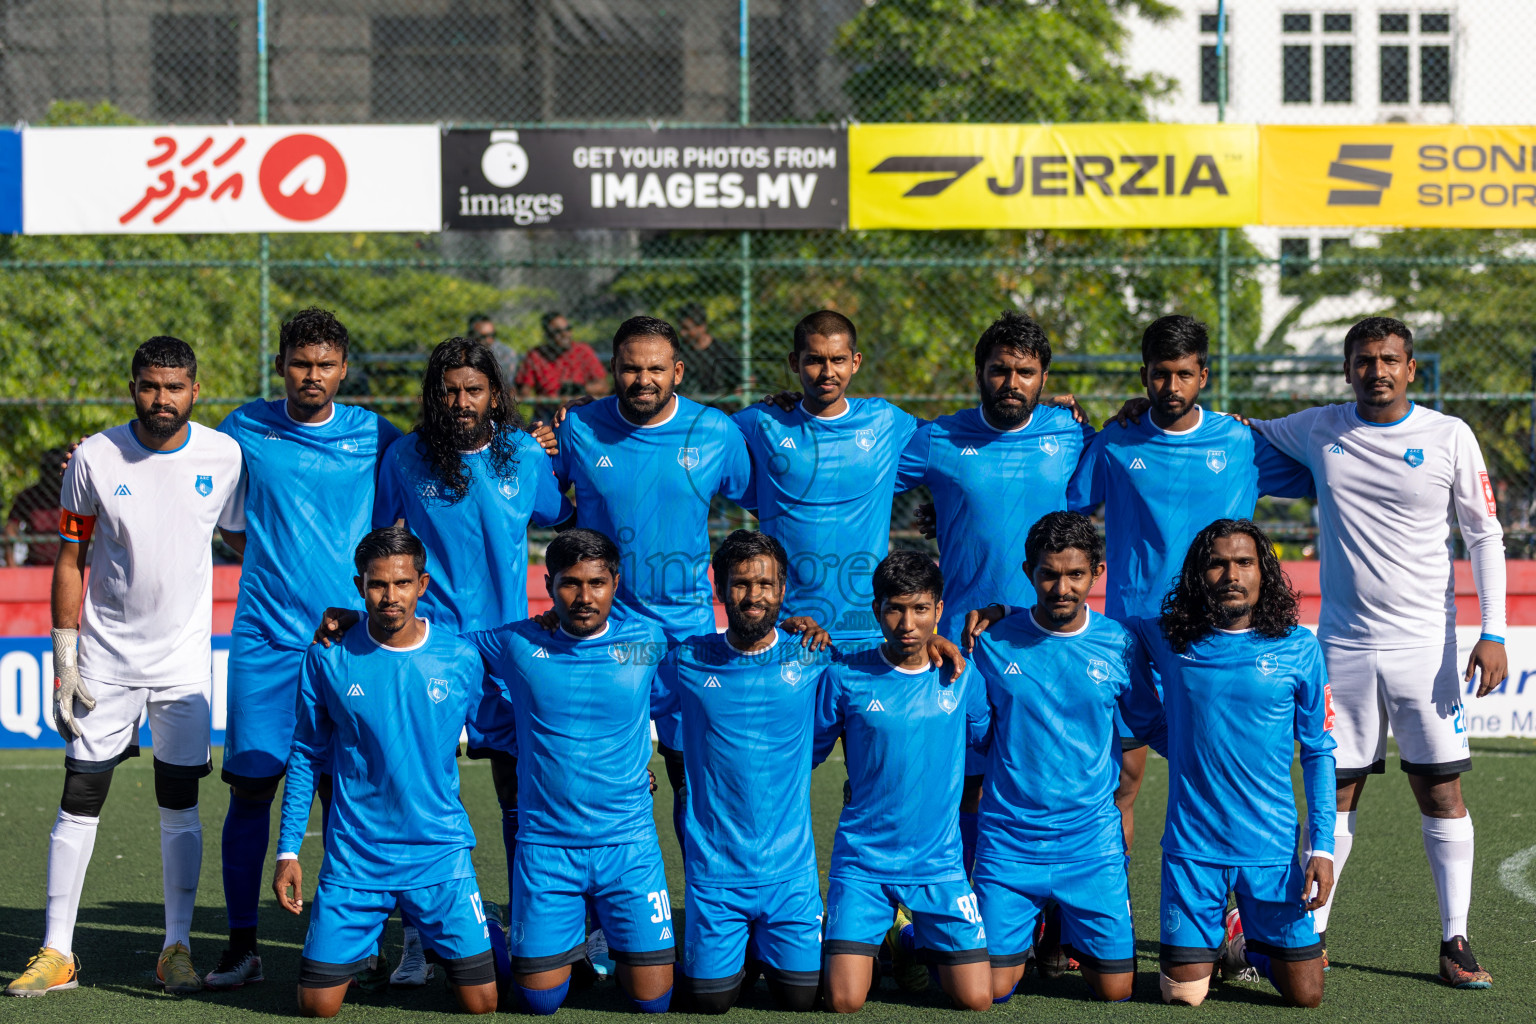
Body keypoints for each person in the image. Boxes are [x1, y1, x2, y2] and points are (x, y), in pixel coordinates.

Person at [1247, 315, 1506, 988]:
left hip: (1427, 651)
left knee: (1440, 790)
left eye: (1390, 359)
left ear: (1411, 368)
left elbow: (1485, 536)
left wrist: (1495, 631)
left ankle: (1455, 940)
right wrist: (1148, 410)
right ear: (1347, 368)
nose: (1377, 371)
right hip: (1343, 650)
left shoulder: (1450, 435)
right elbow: (1235, 431)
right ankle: (1310, 936)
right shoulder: (1320, 427)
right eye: (1364, 360)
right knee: (1333, 792)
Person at [6, 337, 245, 998]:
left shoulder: (224, 456)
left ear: (195, 390)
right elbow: (70, 557)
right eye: (149, 386)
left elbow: (241, 536)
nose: (160, 399)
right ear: (132, 386)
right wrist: (63, 655)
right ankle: (58, 951)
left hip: (183, 666)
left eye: (173, 387)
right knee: (79, 795)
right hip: (104, 661)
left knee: (180, 801)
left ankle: (176, 949)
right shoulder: (93, 455)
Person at [1062, 314, 1313, 855]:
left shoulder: (1240, 441)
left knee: (1219, 782)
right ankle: (1110, 921)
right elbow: (1061, 500)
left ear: (1204, 374)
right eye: (1158, 374)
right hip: (1131, 638)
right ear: (1144, 374)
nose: (1169, 387)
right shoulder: (1117, 441)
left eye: (1182, 374)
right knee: (1119, 784)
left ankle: (1230, 914)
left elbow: (1327, 470)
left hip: (1213, 638)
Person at [211, 308, 405, 991]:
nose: (312, 376)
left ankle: (370, 934)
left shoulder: (375, 434)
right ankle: (241, 946)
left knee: (351, 792)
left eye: (325, 365)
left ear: (344, 370)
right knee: (252, 790)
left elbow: (440, 469)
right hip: (266, 643)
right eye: (300, 363)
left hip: (350, 645)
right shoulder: (243, 427)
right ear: (281, 366)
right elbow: (187, 479)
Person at [372, 336, 573, 943]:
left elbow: (560, 517)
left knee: (517, 783)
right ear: (435, 395)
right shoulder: (406, 457)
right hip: (428, 645)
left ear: (494, 395)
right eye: (450, 390)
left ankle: (529, 920)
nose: (461, 401)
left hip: (505, 646)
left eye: (474, 389)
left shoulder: (520, 452)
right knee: (420, 786)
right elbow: (385, 542)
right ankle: (415, 936)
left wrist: (560, 447)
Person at [897, 309, 1094, 880]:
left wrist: (1121, 412)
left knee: (1057, 783)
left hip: (1051, 641)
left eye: (1026, 372)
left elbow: (1132, 456)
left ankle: (1055, 933)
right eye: (1000, 370)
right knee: (965, 789)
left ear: (1045, 379)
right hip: (964, 641)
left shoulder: (1072, 435)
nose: (1012, 383)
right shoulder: (937, 439)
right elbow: (862, 473)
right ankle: (960, 915)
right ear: (979, 373)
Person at [272, 527, 499, 1019]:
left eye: (401, 583)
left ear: (423, 584)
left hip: (438, 852)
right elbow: (307, 753)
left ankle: (484, 933)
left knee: (482, 1004)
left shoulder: (459, 658)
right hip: (357, 856)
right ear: (360, 586)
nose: (389, 596)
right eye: (377, 585)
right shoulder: (328, 656)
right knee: (317, 1006)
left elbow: (508, 735)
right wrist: (288, 850)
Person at [550, 315, 754, 855]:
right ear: (612, 370)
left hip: (685, 636)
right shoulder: (578, 428)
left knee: (693, 779)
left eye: (656, 369)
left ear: (678, 371)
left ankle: (707, 907)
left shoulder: (715, 431)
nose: (644, 379)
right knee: (595, 782)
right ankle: (598, 925)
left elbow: (765, 497)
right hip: (598, 635)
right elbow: (543, 501)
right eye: (631, 368)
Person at [464, 529, 675, 1015]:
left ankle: (608, 932)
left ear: (615, 583)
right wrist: (357, 620)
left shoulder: (645, 642)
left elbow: (719, 661)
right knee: (540, 1002)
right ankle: (490, 933)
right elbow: (437, 648)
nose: (584, 597)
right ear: (548, 582)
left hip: (628, 846)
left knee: (653, 1002)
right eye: (570, 583)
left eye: (597, 583)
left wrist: (793, 632)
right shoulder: (518, 644)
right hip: (547, 849)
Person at [1130, 519, 1334, 1008]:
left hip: (1270, 849)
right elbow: (1100, 634)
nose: (1231, 574)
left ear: (1264, 571)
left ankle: (1241, 942)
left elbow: (1319, 750)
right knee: (1184, 996)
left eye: (1244, 562)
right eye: (1217, 563)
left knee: (1306, 996)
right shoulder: (1172, 639)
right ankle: (1219, 936)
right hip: (1192, 849)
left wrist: (1322, 847)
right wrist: (1177, 744)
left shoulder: (1299, 646)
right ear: (1200, 574)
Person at [966, 512, 1165, 1006]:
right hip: (1010, 842)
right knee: (989, 991)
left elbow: (1144, 726)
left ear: (1097, 572)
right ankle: (1036, 924)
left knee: (1116, 991)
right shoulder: (990, 642)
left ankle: (1061, 919)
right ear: (1029, 571)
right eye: (1049, 574)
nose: (1061, 587)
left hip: (1089, 843)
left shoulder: (1120, 644)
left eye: (1075, 574)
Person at [651, 530, 832, 1013]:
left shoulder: (813, 654)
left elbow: (890, 657)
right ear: (720, 586)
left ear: (783, 588)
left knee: (802, 999)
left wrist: (936, 635)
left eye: (765, 584)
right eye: (740, 584)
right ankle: (741, 948)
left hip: (790, 874)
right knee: (710, 1002)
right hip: (716, 874)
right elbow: (619, 698)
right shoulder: (686, 659)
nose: (754, 596)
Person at [814, 552, 992, 1014]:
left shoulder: (960, 675)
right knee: (844, 1001)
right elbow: (805, 754)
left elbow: (988, 741)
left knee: (977, 999)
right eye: (895, 608)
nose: (907, 622)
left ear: (938, 608)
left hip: (939, 864)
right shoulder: (844, 677)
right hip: (864, 861)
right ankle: (883, 932)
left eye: (920, 609)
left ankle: (909, 938)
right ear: (877, 609)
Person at [736, 310, 920, 646]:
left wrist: (943, 508)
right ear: (795, 362)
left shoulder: (885, 420)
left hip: (866, 625)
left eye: (838, 359)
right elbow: (702, 442)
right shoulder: (761, 421)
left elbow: (951, 451)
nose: (827, 372)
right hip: (788, 626)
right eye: (814, 360)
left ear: (856, 362)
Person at [515, 311, 609, 423]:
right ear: (547, 335)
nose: (565, 334)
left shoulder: (583, 351)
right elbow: (524, 391)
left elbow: (604, 386)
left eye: (568, 329)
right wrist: (548, 400)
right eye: (558, 332)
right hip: (548, 412)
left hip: (580, 409)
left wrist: (580, 389)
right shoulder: (536, 355)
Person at [3, 448, 68, 567]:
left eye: (56, 469)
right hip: (36, 564)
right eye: (49, 469)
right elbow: (10, 529)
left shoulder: (73, 495)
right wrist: (12, 567)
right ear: (43, 471)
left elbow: (95, 528)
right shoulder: (29, 497)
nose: (53, 475)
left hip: (69, 563)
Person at [675, 303, 740, 405]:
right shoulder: (678, 352)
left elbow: (746, 377)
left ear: (702, 327)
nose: (682, 333)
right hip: (689, 411)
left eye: (686, 328)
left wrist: (737, 397)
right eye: (681, 328)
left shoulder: (722, 350)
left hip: (720, 410)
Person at [468, 313, 520, 386]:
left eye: (492, 335)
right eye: (483, 337)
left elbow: (507, 384)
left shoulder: (505, 354)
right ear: (471, 335)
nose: (489, 340)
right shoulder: (463, 353)